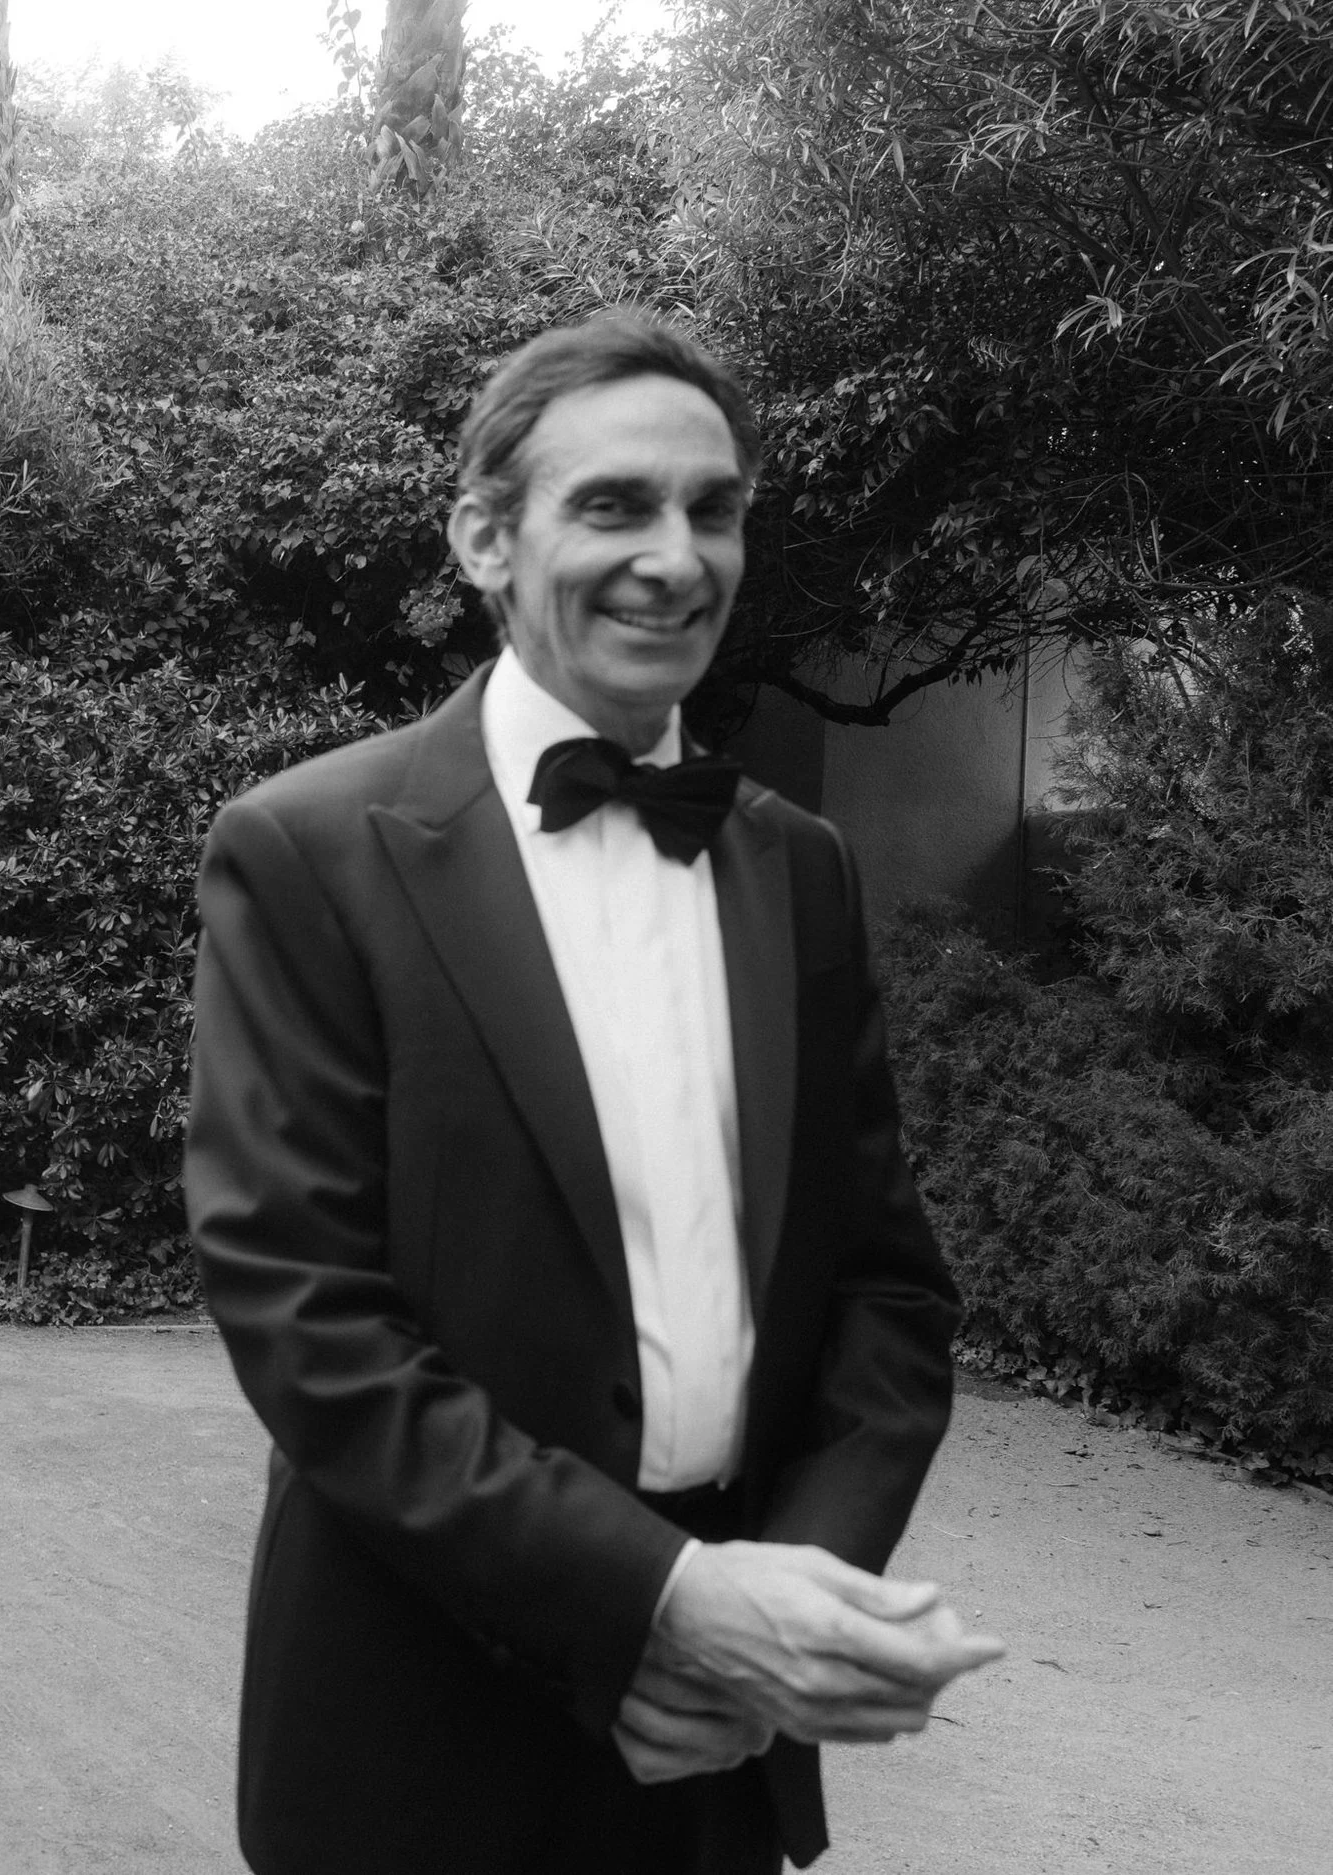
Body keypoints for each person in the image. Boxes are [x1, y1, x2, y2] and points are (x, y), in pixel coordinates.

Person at [184, 311, 1004, 1874]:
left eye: (715, 508)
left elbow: (889, 1294)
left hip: (714, 1746)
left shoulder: (800, 867)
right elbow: (308, 1320)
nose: (677, 558)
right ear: (487, 537)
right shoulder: (308, 853)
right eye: (615, 505)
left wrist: (783, 1607)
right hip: (414, 1728)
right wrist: (658, 1605)